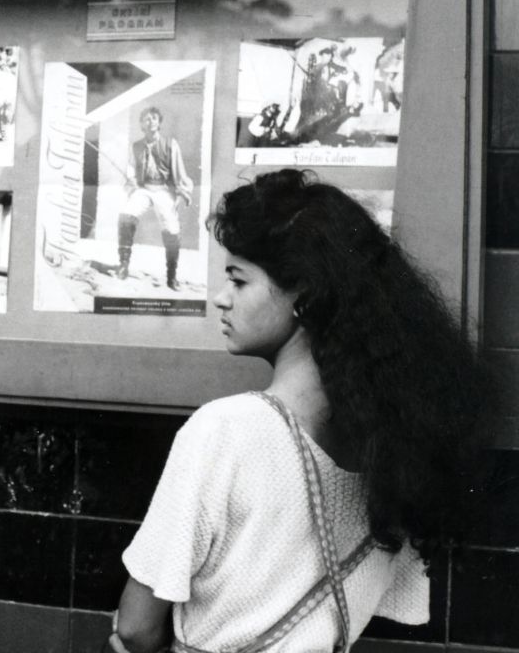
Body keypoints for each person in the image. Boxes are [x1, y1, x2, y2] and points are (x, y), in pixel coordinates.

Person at [107, 169, 489, 653]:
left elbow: (136, 629)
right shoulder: (398, 448)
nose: (221, 298)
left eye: (238, 280)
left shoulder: (225, 432)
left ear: (304, 295)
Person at [116, 107, 193, 291]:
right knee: (126, 215)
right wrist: (132, 181)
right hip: (144, 189)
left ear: (159, 122)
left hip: (164, 191)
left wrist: (181, 191)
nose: (150, 122)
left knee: (172, 230)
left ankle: (171, 277)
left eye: (154, 119)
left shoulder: (170, 144)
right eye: (146, 119)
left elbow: (179, 172)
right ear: (142, 124)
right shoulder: (136, 146)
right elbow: (131, 170)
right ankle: (123, 265)